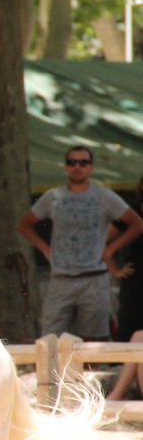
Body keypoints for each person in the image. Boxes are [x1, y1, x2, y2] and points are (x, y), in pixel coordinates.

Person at [17, 145, 143, 340]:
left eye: (83, 162)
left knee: (95, 342)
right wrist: (44, 248)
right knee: (50, 339)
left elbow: (137, 223)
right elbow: (24, 224)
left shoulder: (105, 196)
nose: (77, 166)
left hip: (94, 279)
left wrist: (110, 249)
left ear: (91, 167)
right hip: (60, 278)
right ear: (65, 167)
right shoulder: (52, 196)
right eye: (72, 162)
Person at [104, 174, 143, 400]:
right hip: (136, 283)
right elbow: (105, 244)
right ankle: (118, 397)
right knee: (134, 335)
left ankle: (115, 399)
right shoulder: (132, 214)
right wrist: (114, 267)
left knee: (139, 338)